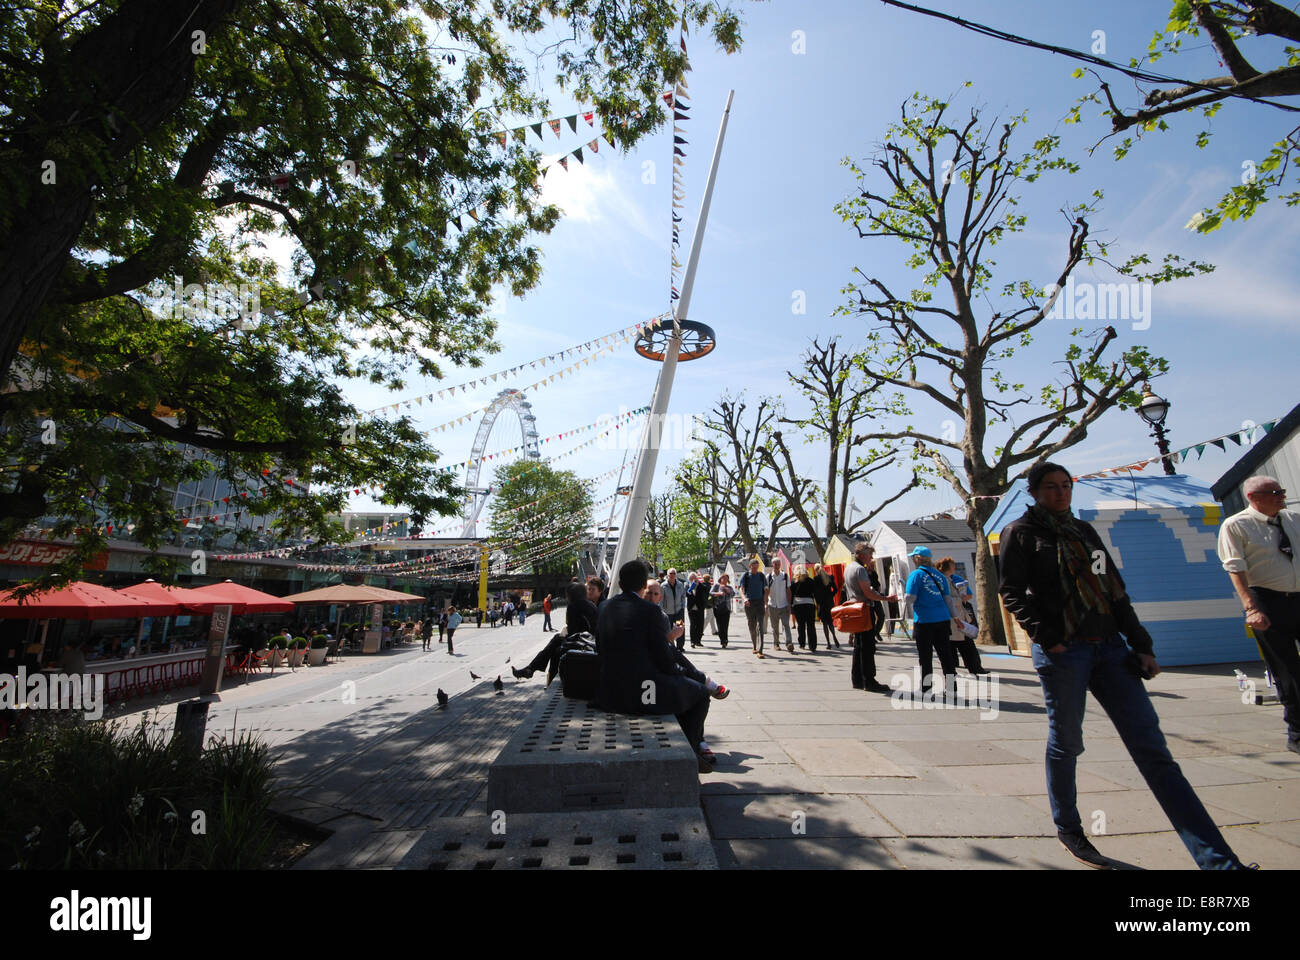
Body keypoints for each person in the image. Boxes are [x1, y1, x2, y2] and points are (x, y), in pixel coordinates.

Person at [1000, 461, 1253, 870]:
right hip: (1065, 652)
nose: (1061, 493)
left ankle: (1219, 863)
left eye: (1066, 485)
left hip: (1110, 649)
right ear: (1034, 492)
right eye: (1051, 487)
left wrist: (1141, 645)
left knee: (1154, 752)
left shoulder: (1085, 532)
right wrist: (1048, 637)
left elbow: (1112, 590)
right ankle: (1069, 828)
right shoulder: (1022, 533)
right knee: (1067, 742)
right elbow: (1011, 592)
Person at [596, 561, 717, 774]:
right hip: (643, 693)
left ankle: (692, 748)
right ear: (644, 585)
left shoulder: (604, 607)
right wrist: (681, 675)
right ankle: (690, 752)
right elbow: (663, 658)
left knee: (681, 688)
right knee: (699, 694)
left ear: (620, 584)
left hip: (609, 690)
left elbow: (600, 647)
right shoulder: (650, 610)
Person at [1217, 474, 1300, 755]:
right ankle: (1297, 733)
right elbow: (1235, 568)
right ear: (1253, 497)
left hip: (1298, 595)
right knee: (1288, 670)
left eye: (1282, 491)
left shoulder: (1293, 519)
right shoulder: (1236, 525)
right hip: (1267, 601)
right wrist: (1250, 607)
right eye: (1274, 492)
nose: (1281, 496)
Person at [513, 582, 598, 682]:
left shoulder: (573, 606)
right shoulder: (591, 605)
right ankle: (532, 669)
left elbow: (573, 633)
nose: (567, 597)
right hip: (591, 640)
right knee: (556, 642)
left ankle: (533, 669)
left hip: (583, 643)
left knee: (555, 648)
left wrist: (564, 635)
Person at [903, 545, 959, 695]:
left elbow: (910, 598)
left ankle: (926, 688)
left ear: (917, 559)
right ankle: (952, 688)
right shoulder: (940, 576)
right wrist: (956, 617)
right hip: (942, 619)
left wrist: (903, 596)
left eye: (913, 557)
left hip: (924, 620)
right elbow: (948, 600)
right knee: (946, 655)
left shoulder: (916, 575)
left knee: (925, 657)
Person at [843, 541, 894, 693]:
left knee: (859, 645)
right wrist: (885, 598)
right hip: (864, 609)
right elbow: (868, 592)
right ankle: (869, 680)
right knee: (867, 646)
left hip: (855, 609)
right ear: (862, 554)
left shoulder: (849, 568)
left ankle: (857, 679)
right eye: (870, 554)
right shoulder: (860, 570)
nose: (871, 557)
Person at [936, 556, 988, 675]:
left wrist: (963, 597)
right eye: (952, 565)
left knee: (963, 643)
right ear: (947, 567)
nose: (954, 567)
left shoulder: (953, 579)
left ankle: (973, 667)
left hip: (958, 616)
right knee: (963, 644)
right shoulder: (943, 580)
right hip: (953, 618)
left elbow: (968, 595)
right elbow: (946, 599)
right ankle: (971, 668)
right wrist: (959, 599)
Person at [739, 558, 768, 657]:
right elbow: (741, 589)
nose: (755, 569)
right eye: (753, 567)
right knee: (752, 626)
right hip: (749, 603)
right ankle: (754, 646)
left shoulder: (761, 576)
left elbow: (766, 590)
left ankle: (760, 650)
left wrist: (765, 602)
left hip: (760, 602)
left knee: (760, 626)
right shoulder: (746, 576)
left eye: (757, 567)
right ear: (750, 566)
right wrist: (744, 599)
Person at [766, 556, 794, 654]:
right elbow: (766, 591)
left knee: (786, 625)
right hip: (772, 605)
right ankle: (776, 643)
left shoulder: (785, 576)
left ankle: (789, 643)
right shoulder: (768, 577)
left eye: (778, 564)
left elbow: (788, 590)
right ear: (772, 565)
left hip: (784, 604)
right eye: (775, 564)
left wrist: (789, 604)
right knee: (775, 627)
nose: (777, 566)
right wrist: (766, 604)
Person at [791, 565, 819, 651]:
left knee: (801, 625)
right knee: (811, 625)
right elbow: (815, 593)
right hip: (809, 604)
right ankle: (812, 645)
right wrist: (818, 604)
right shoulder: (811, 580)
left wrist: (791, 605)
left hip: (798, 604)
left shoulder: (794, 581)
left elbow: (791, 594)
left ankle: (802, 644)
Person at [811, 563, 839, 648]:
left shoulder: (816, 579)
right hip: (829, 602)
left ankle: (828, 643)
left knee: (825, 623)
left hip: (821, 603)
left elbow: (815, 593)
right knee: (830, 622)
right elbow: (835, 589)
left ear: (816, 570)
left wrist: (817, 603)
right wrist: (830, 595)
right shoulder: (830, 577)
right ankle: (834, 636)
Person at [659, 569, 687, 647]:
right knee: (668, 629)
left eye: (674, 573)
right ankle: (670, 646)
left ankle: (680, 646)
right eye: (670, 573)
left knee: (680, 628)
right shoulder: (663, 585)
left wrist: (682, 607)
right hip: (668, 612)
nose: (672, 575)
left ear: (676, 575)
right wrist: (662, 610)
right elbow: (661, 599)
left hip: (679, 611)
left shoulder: (680, 584)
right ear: (667, 575)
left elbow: (683, 596)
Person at [686, 573, 711, 648]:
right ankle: (692, 641)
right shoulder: (687, 586)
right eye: (691, 579)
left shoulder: (701, 585)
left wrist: (698, 583)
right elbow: (686, 594)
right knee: (693, 625)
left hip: (700, 607)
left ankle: (698, 641)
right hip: (691, 608)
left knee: (700, 625)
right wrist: (690, 588)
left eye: (694, 578)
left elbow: (707, 590)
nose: (693, 580)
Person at [711, 574, 735, 648]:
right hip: (717, 607)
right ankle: (722, 639)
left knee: (725, 625)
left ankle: (725, 641)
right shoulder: (716, 586)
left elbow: (733, 594)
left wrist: (728, 591)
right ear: (720, 579)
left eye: (726, 579)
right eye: (723, 578)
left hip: (726, 608)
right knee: (720, 625)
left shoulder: (729, 587)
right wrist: (718, 593)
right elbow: (710, 593)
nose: (725, 580)